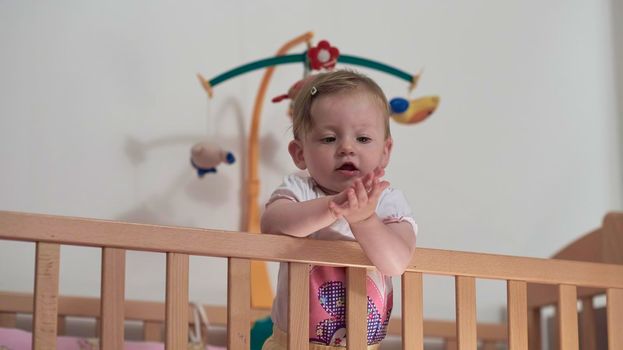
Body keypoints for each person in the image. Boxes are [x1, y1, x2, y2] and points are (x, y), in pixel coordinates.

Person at [260, 70, 417, 350]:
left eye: (363, 139)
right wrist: (333, 208)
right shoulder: (300, 191)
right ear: (300, 153)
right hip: (290, 344)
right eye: (329, 139)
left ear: (385, 151)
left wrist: (365, 219)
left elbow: (396, 262)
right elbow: (272, 224)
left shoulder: (387, 201)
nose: (346, 147)